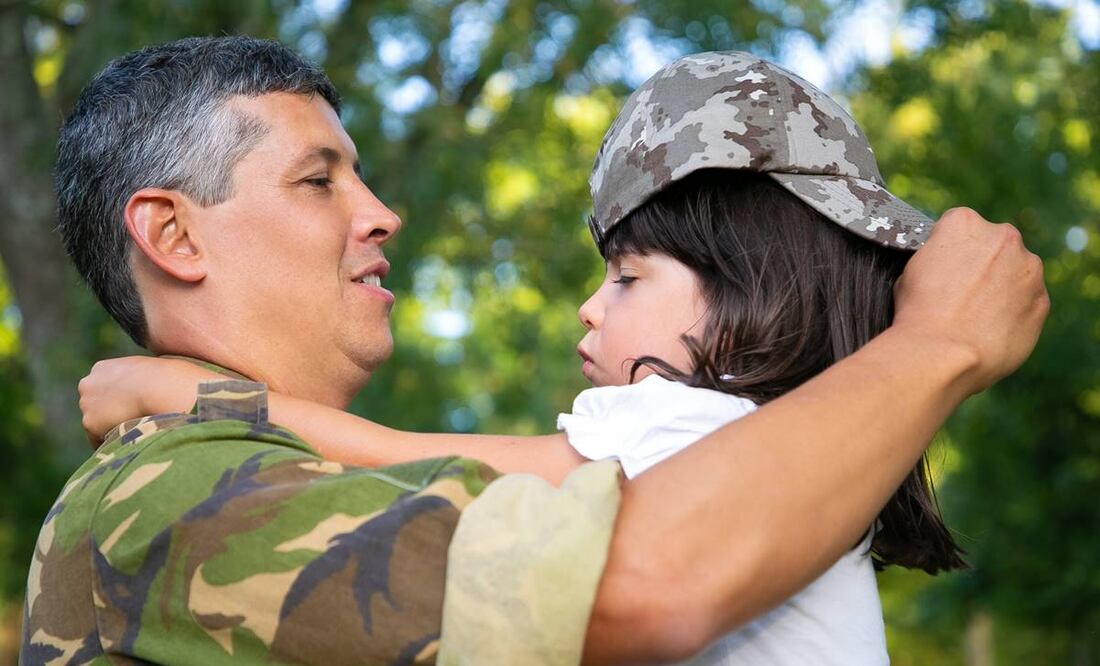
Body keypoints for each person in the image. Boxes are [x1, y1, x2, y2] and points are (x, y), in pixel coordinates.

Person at [22, 38, 1047, 666]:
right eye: (318, 180)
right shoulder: (170, 490)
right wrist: (936, 344)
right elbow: (637, 582)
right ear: (173, 236)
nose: (383, 213)